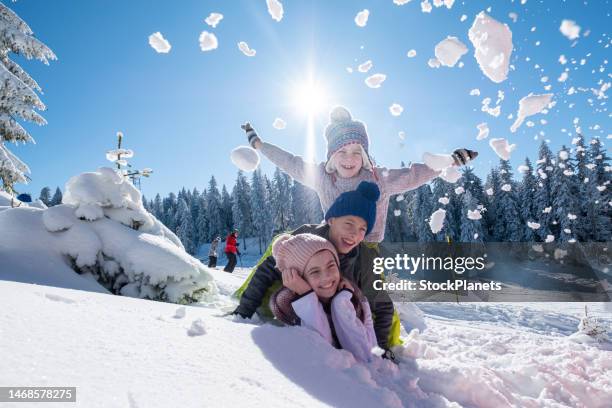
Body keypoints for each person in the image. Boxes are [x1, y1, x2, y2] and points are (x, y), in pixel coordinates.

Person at [242, 106, 477, 243]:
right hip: (332, 244)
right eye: (341, 151)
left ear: (364, 155)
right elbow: (289, 162)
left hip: (367, 247)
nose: (349, 158)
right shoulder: (322, 177)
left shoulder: (377, 178)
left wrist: (450, 160)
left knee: (360, 294)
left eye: (356, 152)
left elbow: (413, 175)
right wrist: (259, 145)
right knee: (292, 240)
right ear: (332, 155)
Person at [234, 182, 399, 357]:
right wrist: (244, 312)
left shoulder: (365, 259)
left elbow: (383, 306)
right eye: (349, 224)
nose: (354, 234)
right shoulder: (307, 239)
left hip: (341, 321)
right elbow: (267, 270)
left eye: (362, 229)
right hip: (301, 313)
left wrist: (381, 349)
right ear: (331, 220)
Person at [269, 233, 378, 363]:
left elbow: (368, 355)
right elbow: (324, 349)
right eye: (314, 271)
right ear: (299, 279)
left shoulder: (350, 294)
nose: (326, 276)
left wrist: (340, 304)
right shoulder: (290, 307)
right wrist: (306, 296)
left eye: (331, 266)